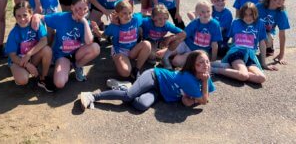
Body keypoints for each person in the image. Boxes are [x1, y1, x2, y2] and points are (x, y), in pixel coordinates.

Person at [81, 50, 215, 112]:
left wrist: (194, 97)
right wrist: (199, 92)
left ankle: (123, 87)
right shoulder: (191, 78)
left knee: (140, 106)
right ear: (192, 65)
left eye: (207, 62)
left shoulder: (204, 76)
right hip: (154, 76)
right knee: (128, 96)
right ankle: (92, 96)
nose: (206, 65)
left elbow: (204, 98)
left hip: (160, 92)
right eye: (200, 63)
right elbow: (203, 100)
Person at [32, 0, 100, 88]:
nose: (81, 12)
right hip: (62, 55)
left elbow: (89, 42)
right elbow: (41, 17)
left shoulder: (85, 23)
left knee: (95, 48)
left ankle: (77, 66)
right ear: (72, 7)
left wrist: (84, 21)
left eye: (84, 9)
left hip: (77, 54)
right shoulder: (62, 17)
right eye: (78, 8)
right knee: (59, 83)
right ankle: (67, 66)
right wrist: (36, 16)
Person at [211, 3, 276, 83]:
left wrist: (264, 63)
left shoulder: (260, 23)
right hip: (237, 53)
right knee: (243, 75)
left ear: (255, 14)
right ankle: (214, 69)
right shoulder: (236, 22)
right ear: (241, 14)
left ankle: (231, 68)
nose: (248, 17)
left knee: (261, 78)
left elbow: (262, 43)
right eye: (245, 14)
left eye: (251, 14)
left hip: (250, 56)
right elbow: (233, 41)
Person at [92, 1, 152, 80]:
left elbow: (144, 15)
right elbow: (104, 35)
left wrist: (155, 15)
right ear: (117, 13)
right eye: (124, 13)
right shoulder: (114, 25)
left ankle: (136, 70)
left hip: (132, 50)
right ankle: (120, 61)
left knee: (147, 44)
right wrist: (97, 31)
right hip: (120, 51)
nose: (128, 16)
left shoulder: (136, 19)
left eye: (130, 12)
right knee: (125, 72)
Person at [5, 1, 55, 92]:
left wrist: (28, 54)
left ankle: (43, 79)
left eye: (25, 15)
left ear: (31, 14)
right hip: (18, 60)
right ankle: (21, 71)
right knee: (23, 80)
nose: (22, 19)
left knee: (47, 50)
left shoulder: (36, 24)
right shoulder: (14, 33)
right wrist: (27, 65)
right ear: (15, 17)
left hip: (32, 57)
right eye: (18, 16)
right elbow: (12, 56)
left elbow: (44, 41)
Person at [162, 0, 222, 69]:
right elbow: (184, 34)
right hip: (187, 44)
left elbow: (214, 44)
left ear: (211, 11)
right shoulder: (195, 22)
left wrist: (213, 60)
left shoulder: (215, 25)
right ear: (197, 13)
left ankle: (184, 60)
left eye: (208, 11)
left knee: (176, 61)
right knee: (160, 54)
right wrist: (172, 39)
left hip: (197, 51)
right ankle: (167, 58)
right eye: (202, 12)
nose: (206, 14)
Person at [257, 0, 290, 64]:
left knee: (267, 38)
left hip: (267, 33)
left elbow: (282, 34)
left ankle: (269, 47)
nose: (281, 1)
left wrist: (281, 54)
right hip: (253, 30)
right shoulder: (258, 7)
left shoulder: (281, 13)